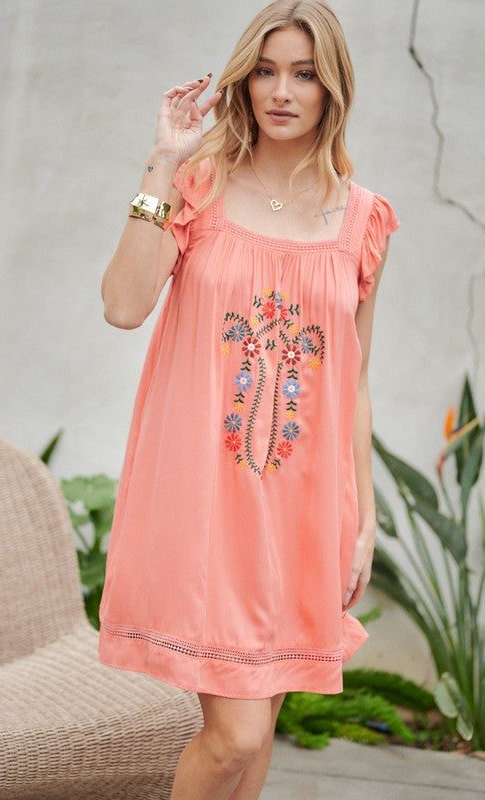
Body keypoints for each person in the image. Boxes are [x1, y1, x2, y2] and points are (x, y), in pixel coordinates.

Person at [97, 0, 401, 797]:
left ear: (333, 87)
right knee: (232, 736)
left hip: (302, 515)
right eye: (266, 70)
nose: (281, 90)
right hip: (204, 504)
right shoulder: (199, 184)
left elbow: (354, 377)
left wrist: (363, 517)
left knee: (257, 736)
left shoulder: (364, 221)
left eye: (304, 73)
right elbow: (124, 304)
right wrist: (161, 162)